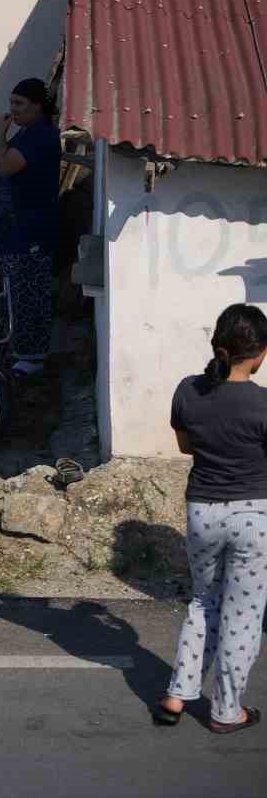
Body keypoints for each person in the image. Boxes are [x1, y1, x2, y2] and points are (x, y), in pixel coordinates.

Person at [154, 304, 267, 735]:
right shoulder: (262, 403)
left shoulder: (187, 391)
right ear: (259, 354)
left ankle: (178, 692)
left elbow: (186, 447)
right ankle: (226, 711)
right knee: (243, 615)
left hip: (202, 509)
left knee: (204, 602)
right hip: (253, 517)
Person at [0, 77, 62, 376]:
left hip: (30, 233)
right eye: (11, 104)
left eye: (19, 104)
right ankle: (20, 352)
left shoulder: (40, 136)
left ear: (38, 106)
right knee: (17, 293)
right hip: (12, 233)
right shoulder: (27, 133)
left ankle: (31, 359)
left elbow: (6, 166)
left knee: (29, 294)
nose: (13, 110)